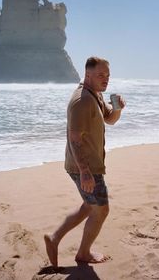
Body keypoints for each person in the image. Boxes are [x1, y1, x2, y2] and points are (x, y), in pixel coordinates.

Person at [44, 56, 125, 267]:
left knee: (89, 206)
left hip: (89, 164)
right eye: (101, 75)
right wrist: (85, 172)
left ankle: (54, 239)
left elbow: (110, 119)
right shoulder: (82, 100)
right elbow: (74, 138)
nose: (106, 79)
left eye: (107, 75)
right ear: (88, 75)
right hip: (85, 166)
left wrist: (117, 107)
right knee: (101, 209)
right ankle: (83, 253)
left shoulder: (95, 94)